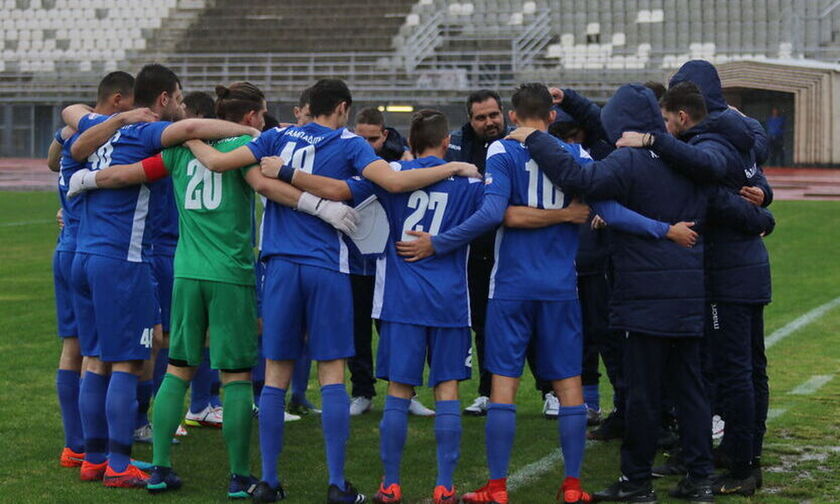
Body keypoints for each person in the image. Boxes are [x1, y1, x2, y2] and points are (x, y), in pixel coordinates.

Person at [184, 78, 479, 503]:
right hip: (327, 265)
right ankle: (337, 485)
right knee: (331, 375)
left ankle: (268, 481)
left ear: (307, 105)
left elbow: (216, 162)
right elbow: (388, 184)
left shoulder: (276, 135)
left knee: (275, 377)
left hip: (280, 262)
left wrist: (187, 131)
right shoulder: (350, 144)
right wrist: (453, 166)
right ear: (342, 107)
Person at [67, 81, 359, 499]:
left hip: (186, 272)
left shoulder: (178, 150)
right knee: (237, 375)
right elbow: (264, 186)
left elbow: (123, 174)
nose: (262, 120)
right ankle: (239, 475)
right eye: (260, 114)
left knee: (178, 369)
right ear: (249, 117)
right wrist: (322, 207)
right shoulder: (244, 146)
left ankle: (161, 468)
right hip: (231, 273)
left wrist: (82, 181)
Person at [505, 83, 775, 503]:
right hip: (688, 294)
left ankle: (636, 482)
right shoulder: (687, 161)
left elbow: (579, 177)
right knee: (691, 390)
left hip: (644, 297)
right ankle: (700, 479)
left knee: (644, 395)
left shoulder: (628, 161)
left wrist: (536, 137)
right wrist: (762, 217)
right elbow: (723, 201)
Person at [61, 63, 261, 489]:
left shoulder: (109, 130)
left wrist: (80, 181)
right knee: (137, 363)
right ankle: (123, 463)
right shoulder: (161, 137)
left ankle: (100, 458)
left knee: (116, 361)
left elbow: (73, 128)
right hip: (144, 262)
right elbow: (268, 185)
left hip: (92, 254)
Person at [399, 83, 595, 504]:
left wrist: (439, 242)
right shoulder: (578, 157)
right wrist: (662, 229)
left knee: (503, 384)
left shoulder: (502, 152)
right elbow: (590, 208)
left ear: (511, 115)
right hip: (561, 287)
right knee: (569, 384)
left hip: (511, 286)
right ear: (553, 117)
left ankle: (498, 487)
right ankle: (574, 486)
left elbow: (496, 213)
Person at [619, 61, 774, 496]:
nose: (666, 128)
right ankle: (740, 453)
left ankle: (741, 462)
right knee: (746, 368)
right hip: (746, 268)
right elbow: (752, 179)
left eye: (668, 120)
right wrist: (764, 206)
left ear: (684, 112)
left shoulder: (714, 142)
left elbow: (712, 186)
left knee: (734, 370)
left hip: (729, 273)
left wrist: (764, 214)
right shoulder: (739, 134)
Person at [51, 71, 136, 469]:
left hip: (69, 248)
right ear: (119, 101)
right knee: (110, 353)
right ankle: (107, 449)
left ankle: (77, 445)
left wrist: (71, 127)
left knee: (77, 348)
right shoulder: (119, 139)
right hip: (100, 249)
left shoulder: (74, 134)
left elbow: (54, 162)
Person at [347, 106, 434, 418]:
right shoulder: (345, 157)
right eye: (362, 138)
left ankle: (405, 392)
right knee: (357, 330)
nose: (368, 144)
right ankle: (362, 391)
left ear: (384, 135)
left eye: (373, 138)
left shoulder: (400, 163)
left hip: (391, 262)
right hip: (355, 261)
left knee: (396, 331)